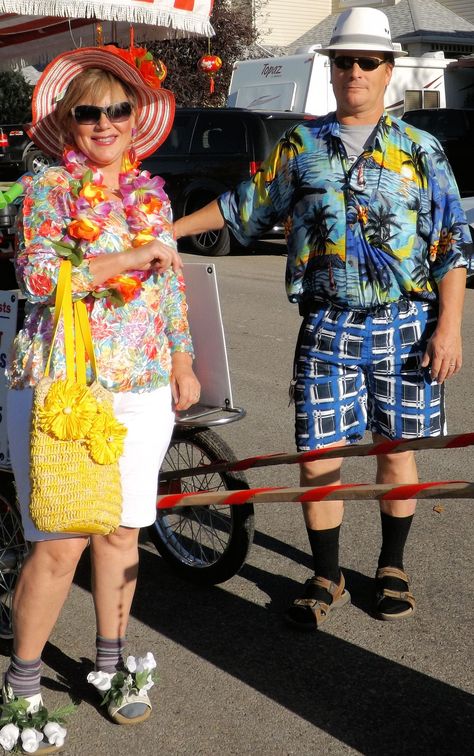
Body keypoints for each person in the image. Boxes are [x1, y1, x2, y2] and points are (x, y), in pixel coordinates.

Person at [172, 6, 472, 631]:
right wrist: (162, 234)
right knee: (320, 455)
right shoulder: (301, 146)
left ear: (389, 70)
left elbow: (453, 244)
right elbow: (243, 207)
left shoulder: (420, 149)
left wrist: (450, 326)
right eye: (344, 62)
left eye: (368, 62)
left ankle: (391, 567)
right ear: (331, 71)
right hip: (328, 328)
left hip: (406, 325)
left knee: (397, 450)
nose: (355, 72)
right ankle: (325, 574)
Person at [2, 44, 200, 748]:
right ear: (68, 120)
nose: (105, 122)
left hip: (142, 382)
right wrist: (130, 256)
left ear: (136, 117)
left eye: (118, 109)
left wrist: (183, 358)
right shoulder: (44, 192)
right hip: (62, 382)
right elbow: (37, 276)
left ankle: (109, 667)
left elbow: (171, 281)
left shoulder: (151, 196)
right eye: (90, 110)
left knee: (120, 531)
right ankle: (23, 688)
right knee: (58, 541)